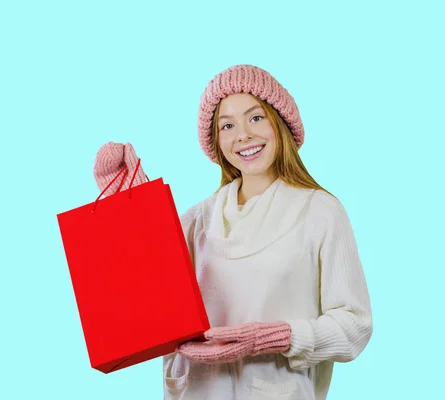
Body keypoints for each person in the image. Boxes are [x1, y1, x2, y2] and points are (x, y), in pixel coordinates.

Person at [93, 64, 373, 400]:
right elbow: (147, 306)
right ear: (217, 140)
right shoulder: (196, 220)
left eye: (255, 118)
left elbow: (354, 327)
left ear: (281, 122)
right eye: (227, 125)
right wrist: (130, 212)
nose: (243, 134)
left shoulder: (320, 212)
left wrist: (275, 338)